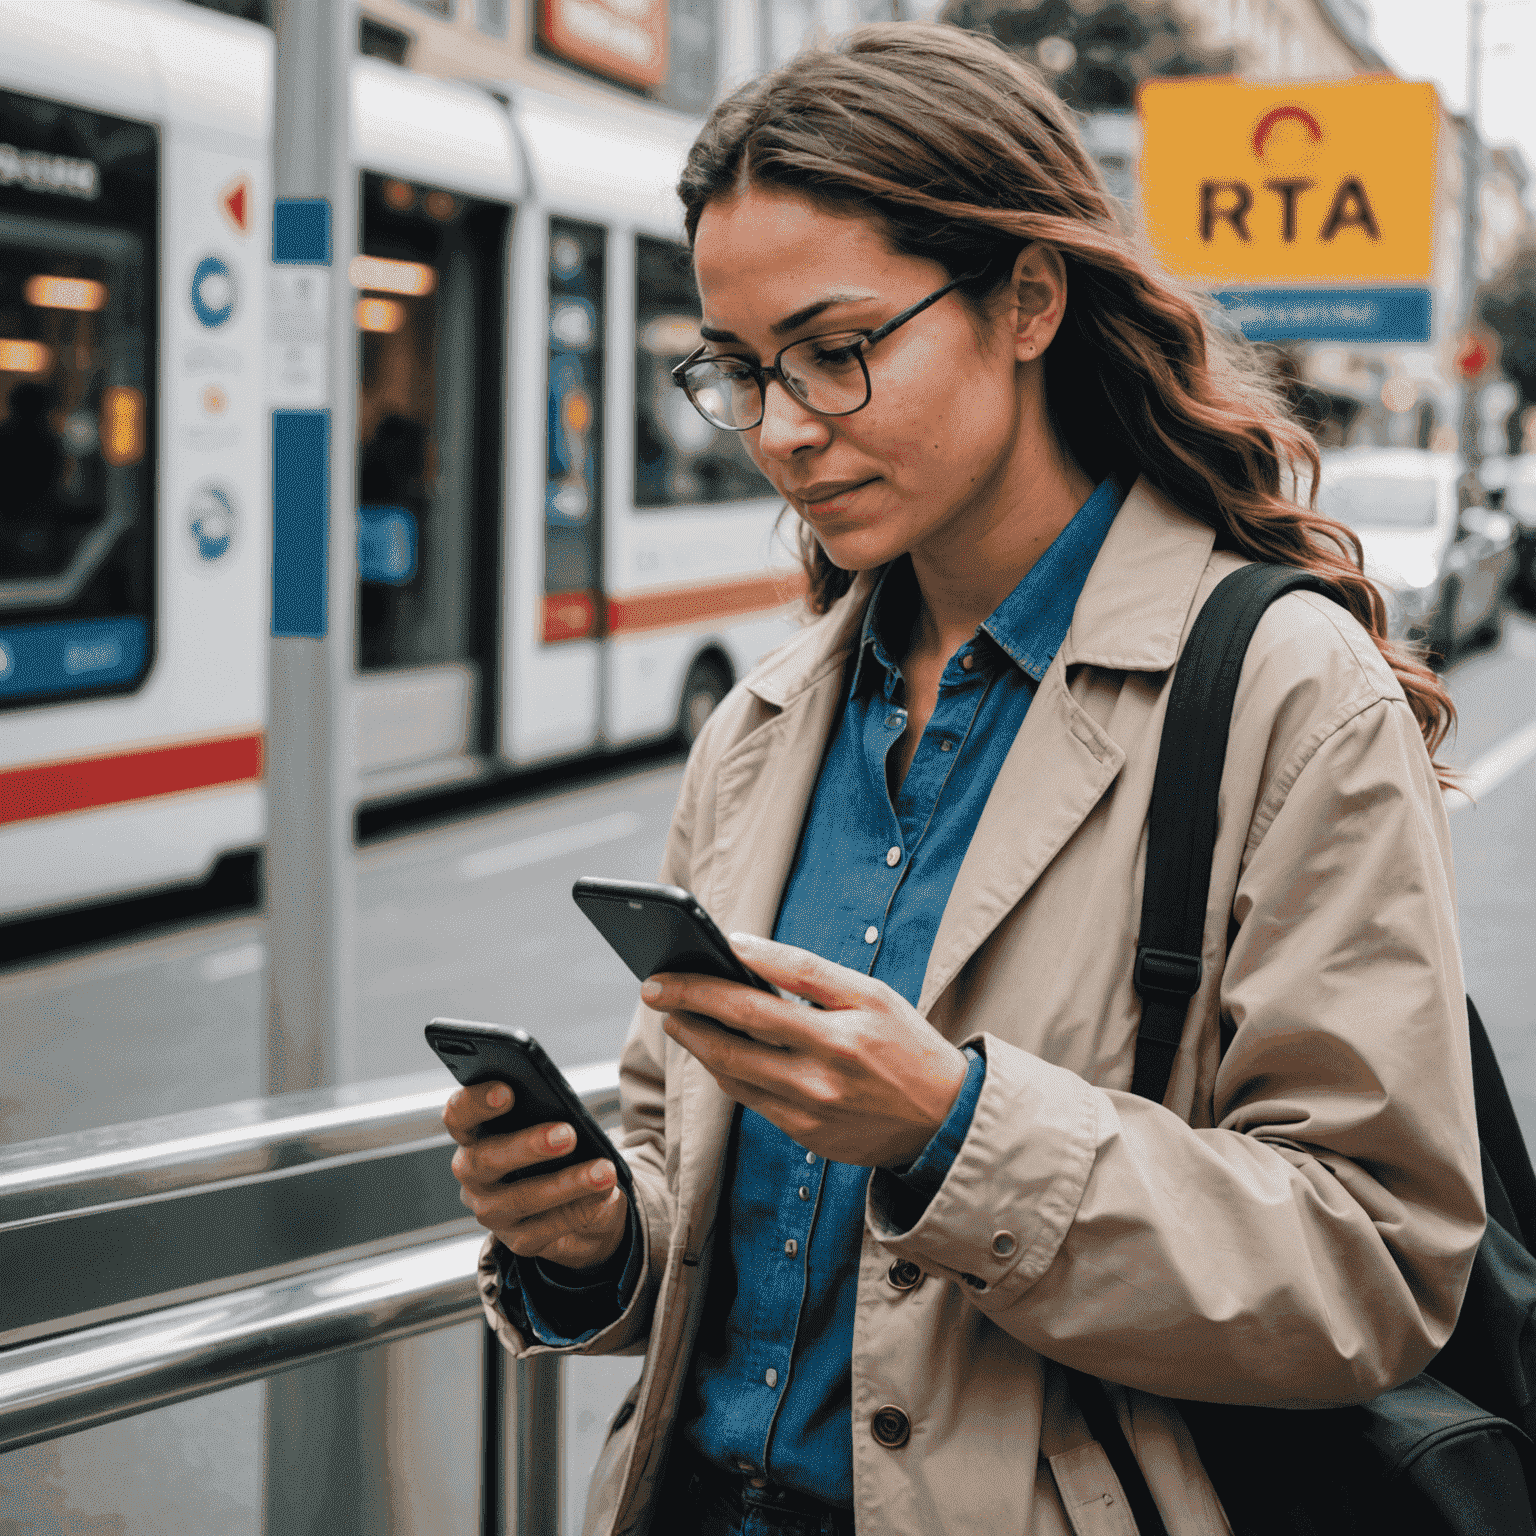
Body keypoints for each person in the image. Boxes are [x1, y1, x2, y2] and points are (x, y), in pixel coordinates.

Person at [446, 24, 1483, 1536]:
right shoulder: (766, 721)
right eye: (739, 369)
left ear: (1030, 300)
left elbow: (1377, 1266)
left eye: (839, 348)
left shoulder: (1284, 691)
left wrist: (954, 1131)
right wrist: (596, 1234)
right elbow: (692, 1181)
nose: (787, 429)